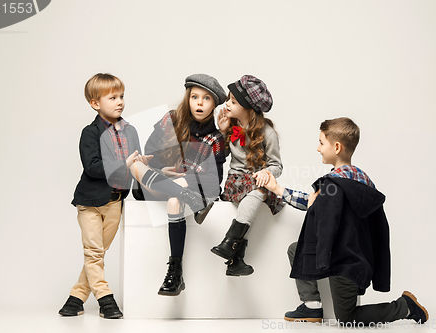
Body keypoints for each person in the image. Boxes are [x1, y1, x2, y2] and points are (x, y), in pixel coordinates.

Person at [262, 117, 429, 325]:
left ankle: (404, 307)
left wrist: (280, 191)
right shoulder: (363, 180)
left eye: (322, 143)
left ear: (337, 147)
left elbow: (313, 206)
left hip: (344, 261)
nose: (318, 148)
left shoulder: (333, 184)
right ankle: (312, 308)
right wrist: (279, 190)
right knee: (297, 250)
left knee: (347, 318)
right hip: (356, 256)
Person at [129, 74, 226, 296]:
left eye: (206, 98)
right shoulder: (171, 120)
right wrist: (162, 171)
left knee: (175, 199)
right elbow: (150, 155)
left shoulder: (215, 138)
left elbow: (213, 181)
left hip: (188, 188)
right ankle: (183, 193)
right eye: (194, 97)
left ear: (214, 104)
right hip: (157, 183)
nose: (199, 103)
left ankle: (175, 272)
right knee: (134, 165)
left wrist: (183, 180)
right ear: (187, 98)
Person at [58, 73, 142, 319]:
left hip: (116, 202)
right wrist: (123, 163)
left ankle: (76, 298)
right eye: (112, 97)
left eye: (122, 96)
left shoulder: (131, 131)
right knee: (94, 253)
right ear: (95, 104)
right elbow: (93, 167)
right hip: (90, 202)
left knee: (96, 254)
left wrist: (144, 166)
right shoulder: (90, 132)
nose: (120, 102)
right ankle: (106, 301)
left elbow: (134, 164)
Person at [210, 75, 284, 276]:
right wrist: (223, 132)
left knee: (259, 191)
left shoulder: (267, 133)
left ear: (248, 108)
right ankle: (233, 251)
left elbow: (277, 165)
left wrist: (266, 171)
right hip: (234, 183)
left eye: (233, 102)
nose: (227, 104)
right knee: (257, 193)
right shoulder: (233, 128)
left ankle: (232, 248)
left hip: (256, 181)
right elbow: (222, 155)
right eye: (229, 99)